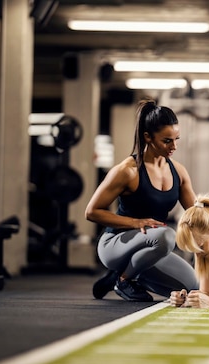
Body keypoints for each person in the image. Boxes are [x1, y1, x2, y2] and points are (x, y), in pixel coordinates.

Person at [85, 99, 199, 301]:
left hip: (152, 247)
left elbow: (197, 214)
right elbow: (92, 212)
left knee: (193, 288)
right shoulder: (127, 171)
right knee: (166, 236)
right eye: (167, 141)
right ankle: (124, 280)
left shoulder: (178, 172)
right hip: (115, 244)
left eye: (176, 139)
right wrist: (135, 223)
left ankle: (124, 275)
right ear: (148, 137)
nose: (174, 146)